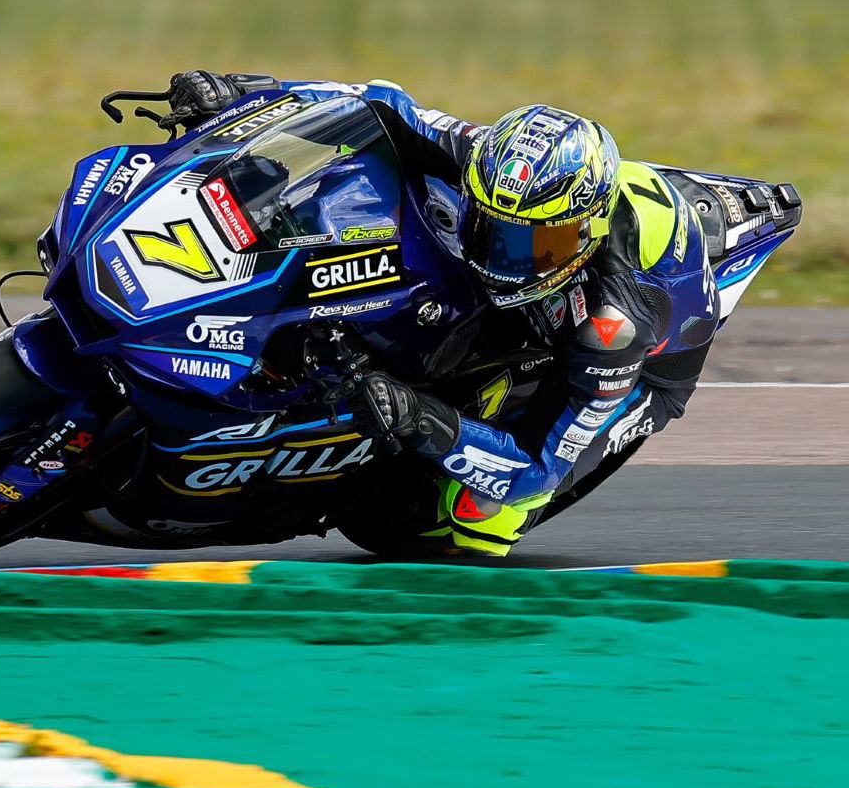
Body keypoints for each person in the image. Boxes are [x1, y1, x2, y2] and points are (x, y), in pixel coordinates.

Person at [162, 69, 799, 558]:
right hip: (570, 259)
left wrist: (422, 417)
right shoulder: (491, 160)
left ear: (585, 230)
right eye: (492, 227)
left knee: (469, 523)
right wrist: (247, 93)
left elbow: (533, 466)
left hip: (643, 364)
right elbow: (378, 104)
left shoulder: (613, 323)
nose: (506, 255)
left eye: (533, 245)